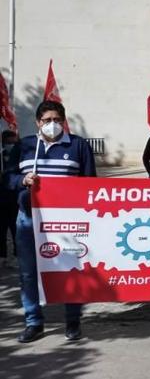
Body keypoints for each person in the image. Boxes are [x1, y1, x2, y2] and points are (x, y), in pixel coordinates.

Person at [4, 100, 96, 343]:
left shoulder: (78, 145)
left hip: (68, 223)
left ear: (64, 122)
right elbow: (8, 179)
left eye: (56, 120)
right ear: (38, 123)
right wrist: (22, 181)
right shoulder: (24, 147)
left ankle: (73, 321)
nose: (52, 125)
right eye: (47, 121)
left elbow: (91, 184)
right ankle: (34, 322)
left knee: (71, 271)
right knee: (28, 274)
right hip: (29, 220)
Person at [1, 130, 19, 267]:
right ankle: (2, 256)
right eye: (8, 143)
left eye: (13, 143)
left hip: (15, 199)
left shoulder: (19, 156)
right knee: (1, 229)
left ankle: (17, 255)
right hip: (1, 198)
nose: (11, 145)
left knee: (16, 229)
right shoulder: (1, 155)